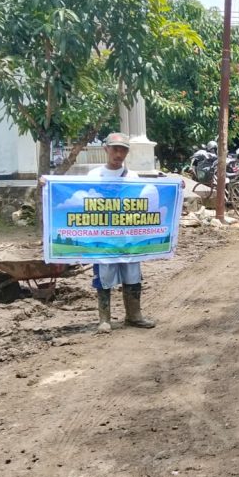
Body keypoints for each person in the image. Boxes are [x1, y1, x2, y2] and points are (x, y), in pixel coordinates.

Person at [89, 132, 156, 333]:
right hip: (103, 236)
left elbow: (144, 200)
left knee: (133, 274)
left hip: (129, 237)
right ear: (106, 149)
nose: (119, 154)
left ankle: (134, 315)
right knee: (104, 275)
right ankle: (104, 318)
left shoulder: (132, 177)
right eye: (115, 149)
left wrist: (176, 189)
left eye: (123, 150)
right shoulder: (93, 176)